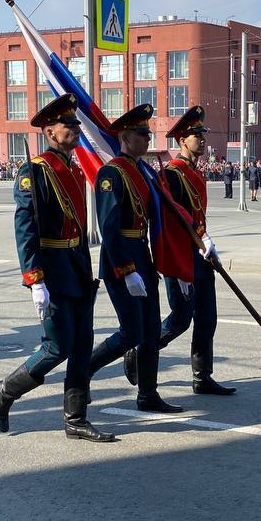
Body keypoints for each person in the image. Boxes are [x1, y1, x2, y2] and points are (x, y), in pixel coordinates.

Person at [0, 93, 114, 442]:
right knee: (57, 347)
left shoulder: (73, 168)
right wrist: (34, 279)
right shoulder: (36, 171)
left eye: (75, 123)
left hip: (77, 267)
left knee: (82, 346)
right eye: (67, 124)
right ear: (49, 132)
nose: (74, 128)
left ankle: (76, 419)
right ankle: (6, 390)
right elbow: (25, 228)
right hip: (53, 270)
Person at [85, 103, 181, 414]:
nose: (148, 138)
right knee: (132, 331)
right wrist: (127, 270)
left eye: (148, 133)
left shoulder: (142, 171)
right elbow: (109, 227)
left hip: (143, 257)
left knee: (151, 331)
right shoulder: (111, 173)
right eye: (142, 134)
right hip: (121, 261)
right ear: (125, 137)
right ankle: (84, 370)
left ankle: (148, 394)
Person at [143, 105, 234, 396]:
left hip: (200, 255)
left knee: (207, 318)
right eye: (197, 135)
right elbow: (172, 223)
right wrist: (185, 258)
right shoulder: (172, 174)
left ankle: (202, 377)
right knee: (181, 319)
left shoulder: (194, 172)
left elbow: (196, 216)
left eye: (203, 134)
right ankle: (141, 348)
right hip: (181, 256)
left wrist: (207, 244)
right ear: (182, 140)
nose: (203, 139)